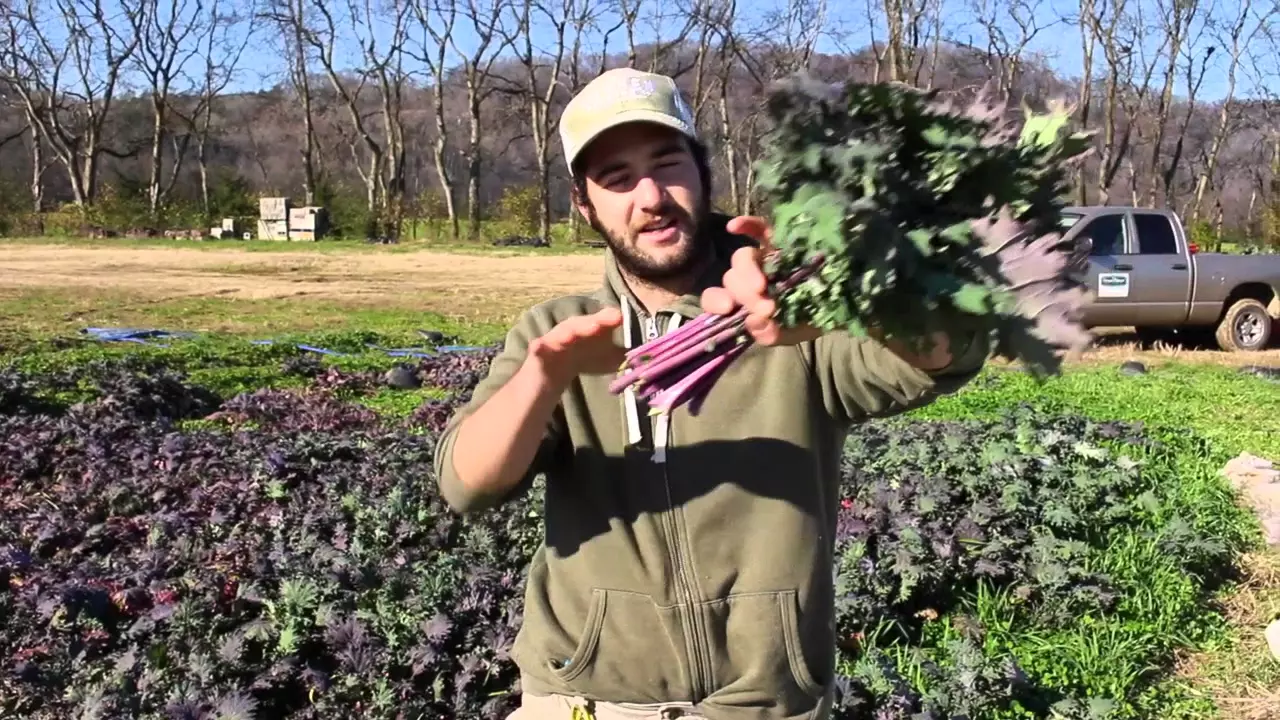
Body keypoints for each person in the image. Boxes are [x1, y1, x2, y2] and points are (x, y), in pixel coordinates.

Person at [434, 67, 991, 720]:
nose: (650, 197)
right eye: (616, 179)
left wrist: (856, 296)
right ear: (585, 205)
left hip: (762, 706)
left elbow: (943, 354)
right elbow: (465, 484)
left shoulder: (788, 309)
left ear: (703, 172)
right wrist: (544, 377)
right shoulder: (554, 331)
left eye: (668, 165)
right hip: (584, 701)